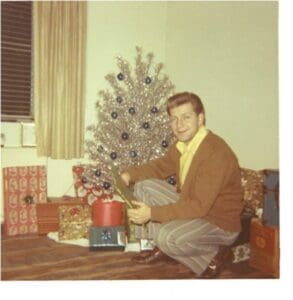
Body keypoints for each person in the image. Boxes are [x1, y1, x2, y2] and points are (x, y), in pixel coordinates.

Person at [120, 92, 243, 278]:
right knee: (143, 186)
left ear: (200, 118)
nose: (179, 125)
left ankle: (216, 255)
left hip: (218, 223)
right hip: (196, 207)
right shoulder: (184, 144)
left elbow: (198, 206)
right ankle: (162, 248)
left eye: (186, 117)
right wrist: (130, 174)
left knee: (167, 237)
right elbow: (161, 166)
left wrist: (151, 213)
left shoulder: (215, 153)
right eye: (174, 119)